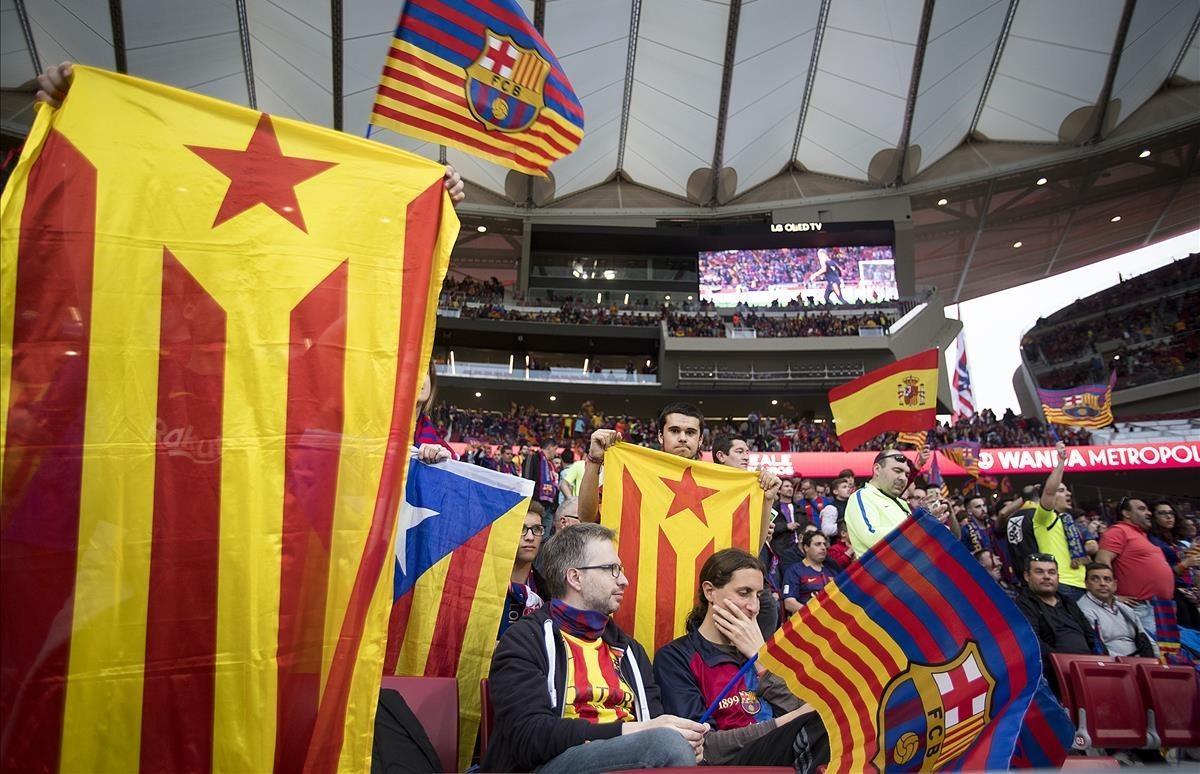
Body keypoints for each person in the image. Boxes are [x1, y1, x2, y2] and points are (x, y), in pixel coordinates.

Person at [34, 62, 469, 207]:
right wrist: (77, 106)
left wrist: (433, 196)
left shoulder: (348, 181)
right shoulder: (196, 141)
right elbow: (128, 169)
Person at [482, 523, 707, 772]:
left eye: (619, 569)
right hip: (549, 764)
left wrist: (684, 741)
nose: (624, 580)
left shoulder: (630, 650)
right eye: (611, 569)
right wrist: (640, 732)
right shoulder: (524, 640)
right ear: (575, 578)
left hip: (629, 762)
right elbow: (529, 738)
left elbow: (652, 723)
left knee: (677, 744)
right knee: (667, 745)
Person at [652, 549, 830, 770]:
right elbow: (702, 746)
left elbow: (801, 706)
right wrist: (791, 720)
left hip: (783, 756)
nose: (754, 607)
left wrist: (760, 658)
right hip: (732, 765)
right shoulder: (676, 657)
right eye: (744, 593)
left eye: (758, 595)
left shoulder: (766, 651)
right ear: (709, 592)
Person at [713, 433, 779, 640]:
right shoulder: (709, 485)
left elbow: (759, 541)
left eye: (747, 453)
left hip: (753, 571)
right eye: (739, 452)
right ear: (721, 456)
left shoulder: (756, 485)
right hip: (723, 575)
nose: (745, 457)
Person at [1095, 498, 1175, 651]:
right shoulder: (1118, 531)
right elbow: (1101, 561)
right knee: (1153, 656)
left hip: (1162, 607)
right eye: (1142, 509)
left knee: (1170, 658)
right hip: (1141, 608)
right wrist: (1112, 596)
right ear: (1126, 513)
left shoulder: (1141, 535)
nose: (1149, 513)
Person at [1015, 554, 1100, 695]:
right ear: (1026, 576)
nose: (1047, 576)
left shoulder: (1069, 602)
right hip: (1054, 673)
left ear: (1058, 577)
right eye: (1039, 572)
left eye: (1051, 572)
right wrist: (1064, 661)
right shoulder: (1023, 604)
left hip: (1088, 668)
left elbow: (1091, 636)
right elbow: (1033, 643)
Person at [844, 449, 957, 555]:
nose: (903, 478)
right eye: (897, 471)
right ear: (877, 469)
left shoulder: (902, 503)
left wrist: (927, 522)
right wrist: (920, 525)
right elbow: (872, 537)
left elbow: (914, 541)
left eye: (906, 474)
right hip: (883, 575)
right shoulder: (862, 496)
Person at [1030, 443, 1087, 601]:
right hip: (1062, 584)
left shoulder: (1069, 520)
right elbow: (1049, 490)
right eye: (1061, 491)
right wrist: (1061, 461)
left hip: (1083, 584)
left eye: (1066, 490)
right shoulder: (1044, 518)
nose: (1068, 493)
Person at [1076, 563, 1154, 658]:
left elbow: (1145, 640)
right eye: (1095, 579)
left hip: (1138, 661)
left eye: (1107, 579)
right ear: (1086, 584)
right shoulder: (1083, 609)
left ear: (1115, 585)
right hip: (1110, 664)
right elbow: (1096, 647)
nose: (1102, 583)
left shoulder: (1126, 610)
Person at [500, 501, 547, 637]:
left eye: (537, 529)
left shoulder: (547, 591)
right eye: (521, 529)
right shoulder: (486, 584)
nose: (530, 537)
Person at [782, 531, 837, 612]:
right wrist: (813, 614)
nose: (823, 548)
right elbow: (789, 603)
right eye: (817, 544)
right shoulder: (794, 570)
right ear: (806, 547)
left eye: (824, 544)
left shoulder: (832, 570)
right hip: (808, 621)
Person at [524, 437, 559, 519]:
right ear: (549, 448)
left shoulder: (551, 465)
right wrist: (531, 500)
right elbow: (527, 478)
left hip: (549, 505)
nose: (556, 453)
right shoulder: (533, 458)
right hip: (536, 503)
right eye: (555, 449)